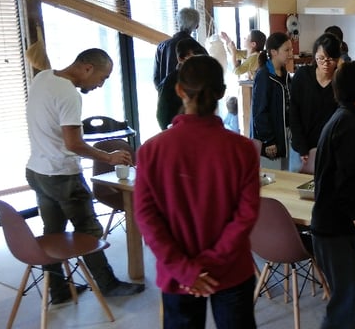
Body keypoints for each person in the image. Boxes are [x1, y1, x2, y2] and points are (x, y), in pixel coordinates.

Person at [135, 55, 261, 328]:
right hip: (231, 268)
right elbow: (246, 215)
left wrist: (186, 269)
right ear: (221, 93)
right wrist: (211, 263)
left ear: (179, 90)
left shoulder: (151, 150)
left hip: (177, 273)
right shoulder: (242, 149)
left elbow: (146, 218)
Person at [25, 48, 145, 304]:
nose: (101, 85)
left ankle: (58, 290)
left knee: (52, 232)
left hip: (37, 171)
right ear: (88, 68)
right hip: (63, 175)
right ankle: (109, 285)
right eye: (103, 78)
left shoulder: (43, 77)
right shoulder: (69, 94)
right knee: (89, 230)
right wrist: (108, 157)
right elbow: (73, 143)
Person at [311, 61, 355, 329]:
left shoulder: (344, 117)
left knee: (354, 297)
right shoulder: (351, 125)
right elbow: (346, 186)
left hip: (332, 224)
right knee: (348, 304)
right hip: (337, 229)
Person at [290, 33, 341, 172]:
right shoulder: (303, 76)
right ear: (315, 56)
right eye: (321, 58)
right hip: (301, 148)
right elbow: (294, 113)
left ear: (338, 58)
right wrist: (302, 147)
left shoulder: (341, 82)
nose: (325, 63)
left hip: (330, 150)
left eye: (331, 59)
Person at [251, 32, 293, 170]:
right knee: (274, 176)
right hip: (271, 139)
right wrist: (268, 140)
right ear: (274, 52)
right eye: (287, 50)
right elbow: (259, 111)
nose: (290, 54)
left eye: (291, 49)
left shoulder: (285, 74)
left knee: (286, 175)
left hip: (284, 134)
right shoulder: (264, 75)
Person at [156, 38, 207, 130]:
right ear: (181, 59)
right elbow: (162, 115)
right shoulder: (171, 80)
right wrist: (170, 132)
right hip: (177, 129)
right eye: (194, 56)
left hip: (202, 128)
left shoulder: (203, 76)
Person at [154, 7, 201, 91]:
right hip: (191, 98)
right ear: (197, 26)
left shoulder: (162, 46)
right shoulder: (199, 49)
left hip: (167, 96)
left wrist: (164, 93)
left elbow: (156, 78)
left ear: (177, 23)